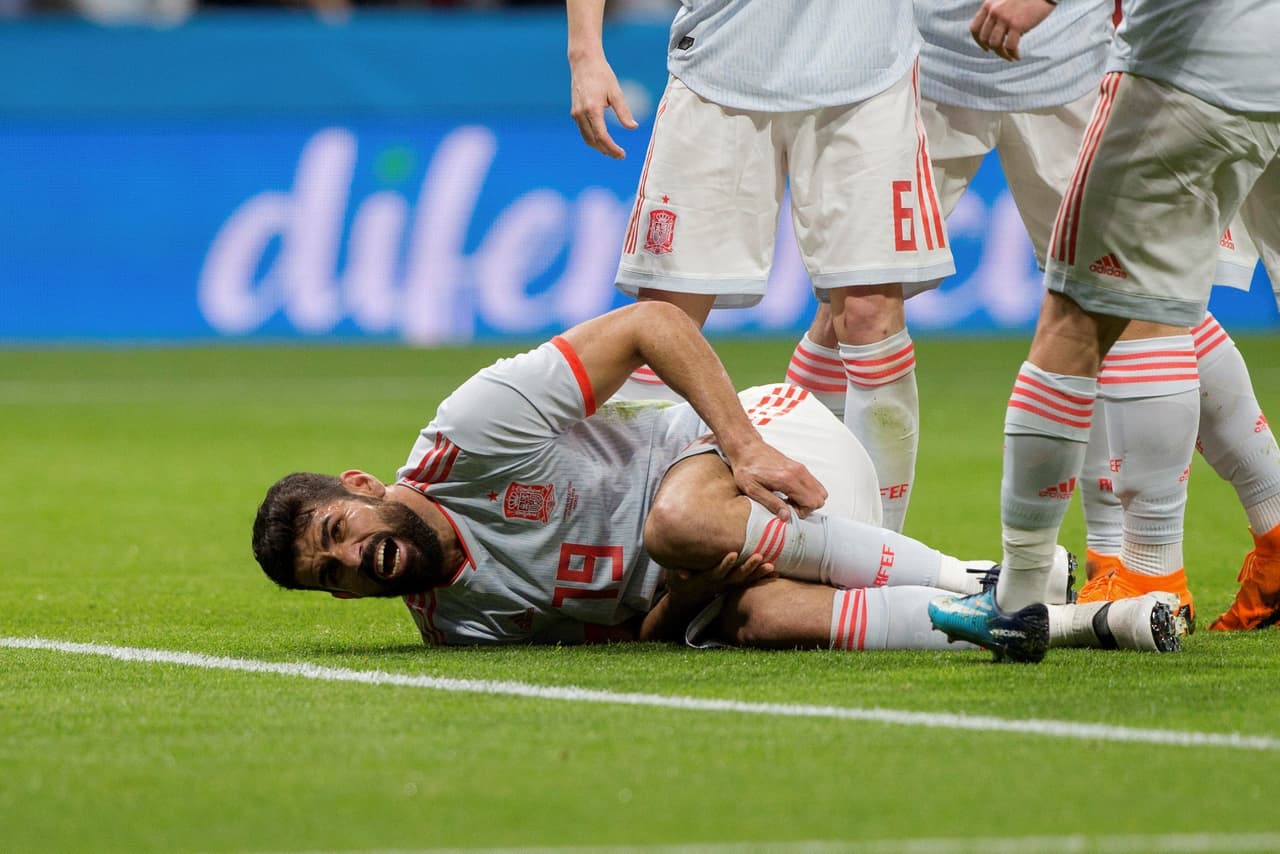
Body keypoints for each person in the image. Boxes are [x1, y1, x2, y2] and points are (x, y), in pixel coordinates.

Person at [251, 302, 1178, 656]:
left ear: (362, 485)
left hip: (774, 447)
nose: (351, 562)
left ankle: (976, 580)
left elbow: (652, 322)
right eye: (328, 577)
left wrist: (742, 447)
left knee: (676, 522)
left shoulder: (472, 433)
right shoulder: (460, 627)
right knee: (756, 621)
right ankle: (1074, 621)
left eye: (335, 533)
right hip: (745, 552)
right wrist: (691, 593)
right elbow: (637, 639)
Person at [785, 0, 1280, 637]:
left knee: (1121, 307)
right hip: (925, 64)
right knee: (854, 307)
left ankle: (1131, 567)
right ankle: (853, 555)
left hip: (1074, 58)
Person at [927, 0, 1280, 661]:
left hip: (1197, 67)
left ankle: (1109, 578)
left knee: (1093, 313)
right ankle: (1269, 526)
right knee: (1161, 303)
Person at [567, 0, 953, 533]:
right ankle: (624, 557)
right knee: (660, 327)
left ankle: (877, 557)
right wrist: (585, 51)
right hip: (719, 66)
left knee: (870, 319)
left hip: (868, 70)